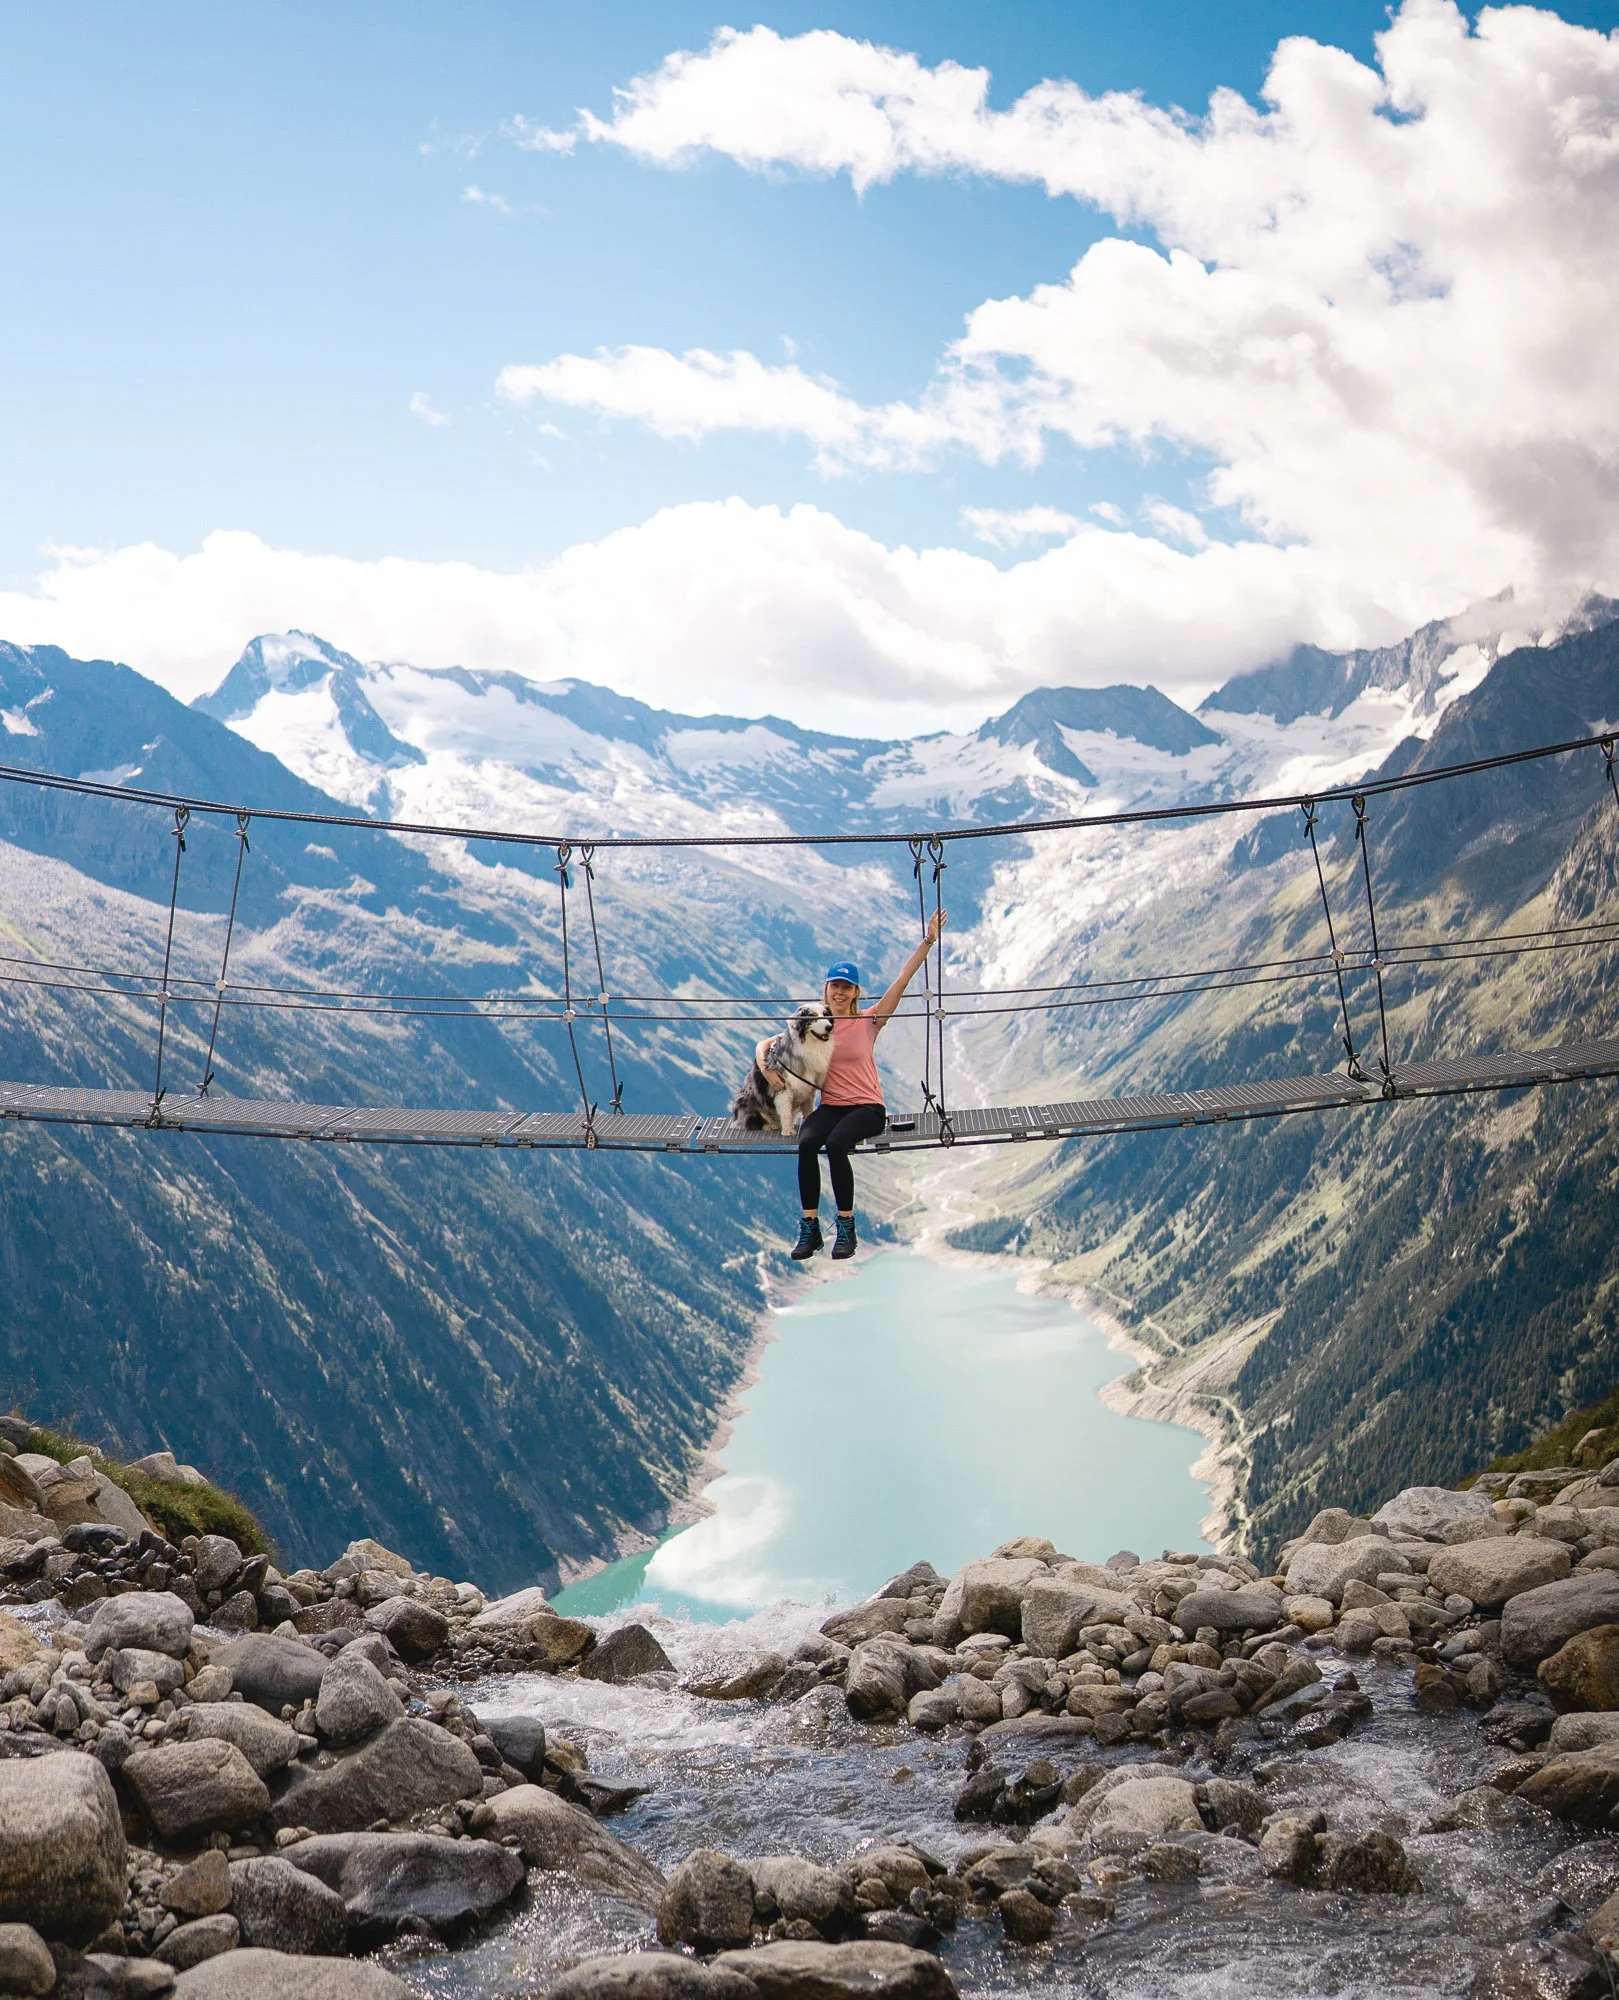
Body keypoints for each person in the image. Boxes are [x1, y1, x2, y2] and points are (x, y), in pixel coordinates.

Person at [767, 908, 946, 1263]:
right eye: (834, 985)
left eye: (846, 987)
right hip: (831, 1106)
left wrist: (927, 941)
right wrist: (767, 1068)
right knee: (806, 1143)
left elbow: (902, 981)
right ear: (827, 989)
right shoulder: (814, 1026)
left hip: (867, 1107)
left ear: (854, 992)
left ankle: (846, 1228)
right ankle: (810, 1228)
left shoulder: (870, 1020)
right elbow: (771, 1045)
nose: (839, 992)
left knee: (835, 1146)